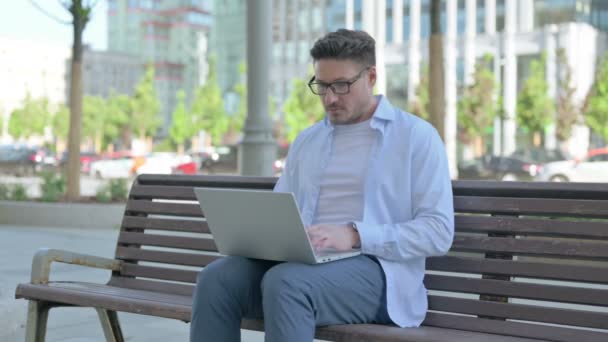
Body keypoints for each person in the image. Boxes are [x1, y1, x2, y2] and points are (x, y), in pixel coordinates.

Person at [190, 29, 454, 342]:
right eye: (322, 85)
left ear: (371, 77)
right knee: (216, 279)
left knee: (287, 283)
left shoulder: (416, 138)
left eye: (341, 85)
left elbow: (438, 232)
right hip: (304, 265)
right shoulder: (308, 140)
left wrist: (355, 235)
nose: (329, 98)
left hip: (379, 274)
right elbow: (282, 209)